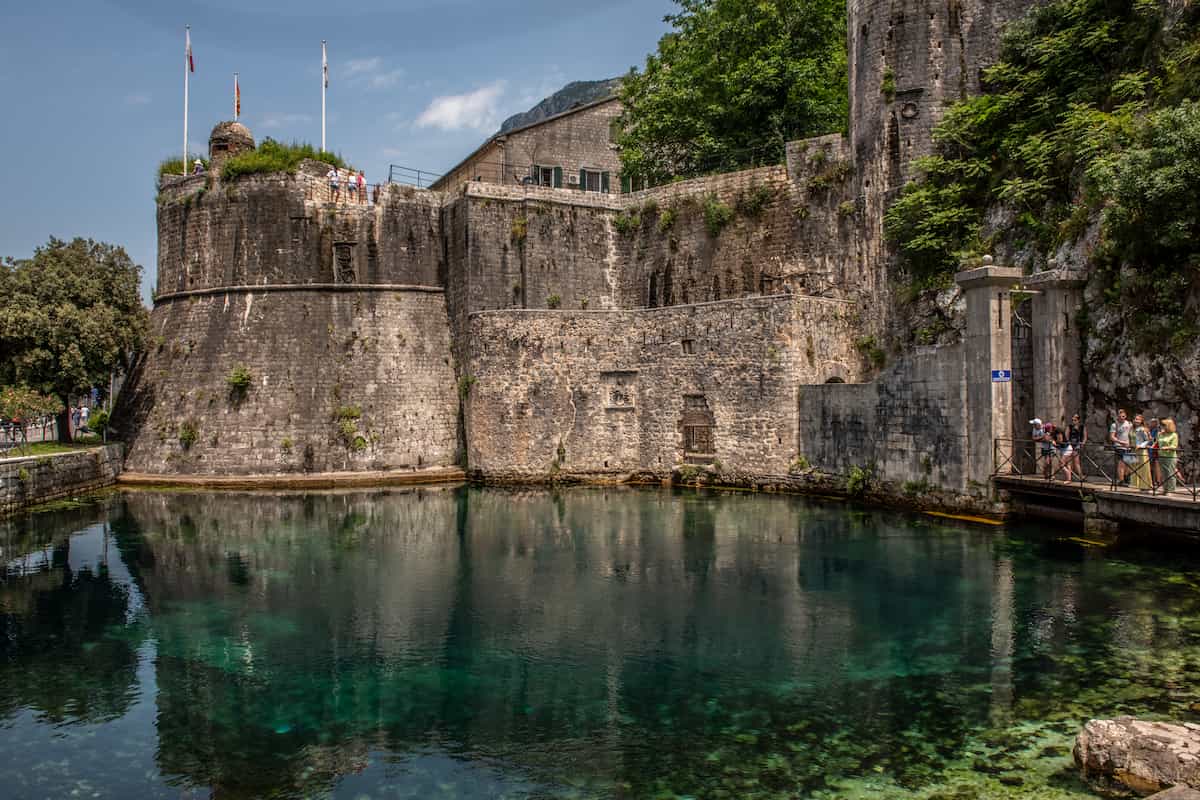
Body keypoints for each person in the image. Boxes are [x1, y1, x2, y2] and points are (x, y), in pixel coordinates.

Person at [1109, 409, 1133, 485]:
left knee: (1128, 464)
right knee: (1121, 464)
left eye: (1123, 416)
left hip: (1128, 447)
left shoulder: (1129, 424)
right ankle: (1121, 480)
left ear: (1125, 416)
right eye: (1119, 416)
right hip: (1119, 447)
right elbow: (1112, 437)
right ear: (1117, 416)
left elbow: (1132, 434)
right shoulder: (1114, 425)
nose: (1121, 418)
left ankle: (1127, 479)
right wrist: (1121, 442)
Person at [1158, 418, 1179, 493]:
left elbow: (1174, 446)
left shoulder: (1174, 435)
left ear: (1169, 426)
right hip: (1161, 456)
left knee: (1170, 473)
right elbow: (1157, 443)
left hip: (1170, 456)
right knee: (1163, 473)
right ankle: (1165, 489)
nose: (1162, 426)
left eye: (1164, 425)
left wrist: (1166, 447)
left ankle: (1171, 490)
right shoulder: (1161, 434)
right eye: (1162, 425)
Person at [1132, 414, 1152, 490]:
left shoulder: (1143, 429)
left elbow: (1148, 440)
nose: (1136, 421)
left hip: (1141, 451)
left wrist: (1141, 445)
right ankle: (1137, 485)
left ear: (1141, 421)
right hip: (1133, 450)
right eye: (1135, 419)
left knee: (1144, 468)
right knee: (1134, 467)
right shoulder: (1132, 429)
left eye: (1138, 419)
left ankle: (1145, 485)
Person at [1067, 413, 1086, 482]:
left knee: (1076, 461)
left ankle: (1080, 477)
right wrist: (1068, 442)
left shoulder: (1082, 427)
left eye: (1075, 420)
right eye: (1072, 420)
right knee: (1070, 461)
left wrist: (1083, 443)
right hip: (1070, 444)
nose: (1073, 421)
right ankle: (1070, 477)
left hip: (1077, 444)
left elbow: (1085, 436)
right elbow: (1066, 435)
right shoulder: (1070, 426)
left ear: (1078, 420)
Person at [1148, 417, 1162, 486]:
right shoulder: (1149, 430)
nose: (1152, 423)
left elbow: (1156, 440)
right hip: (1149, 449)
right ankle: (1152, 481)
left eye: (1154, 422)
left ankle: (1158, 481)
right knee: (1151, 466)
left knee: (1156, 465)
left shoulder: (1158, 430)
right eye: (1151, 422)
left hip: (1155, 450)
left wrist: (1151, 439)